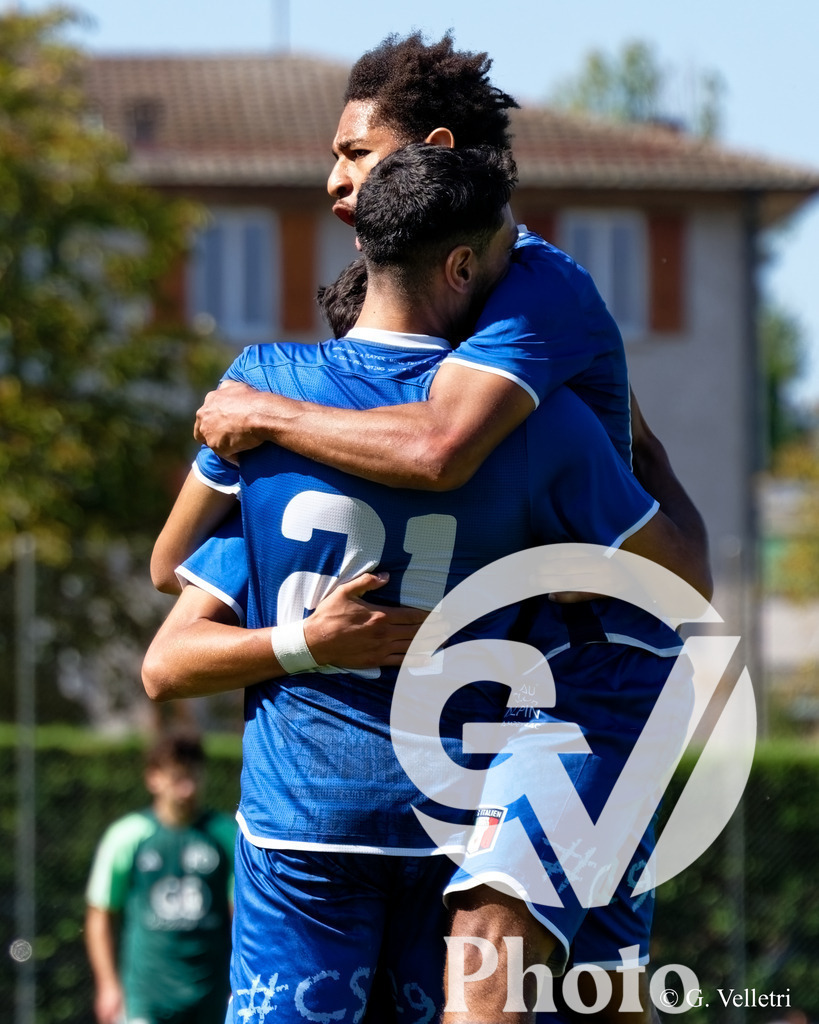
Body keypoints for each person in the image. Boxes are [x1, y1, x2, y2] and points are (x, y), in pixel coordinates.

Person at [142, 142, 710, 1024]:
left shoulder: (259, 389)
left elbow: (164, 580)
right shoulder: (543, 425)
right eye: (504, 252)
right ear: (459, 265)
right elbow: (680, 575)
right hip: (451, 821)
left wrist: (299, 642)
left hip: (300, 823)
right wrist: (642, 455)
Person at [149, 31, 636, 594]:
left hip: (584, 656)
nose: (335, 180)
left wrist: (266, 416)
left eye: (357, 153)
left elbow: (438, 451)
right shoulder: (478, 290)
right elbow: (169, 577)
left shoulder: (540, 288)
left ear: (435, 151)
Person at [84, 731, 236, 1024]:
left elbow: (241, 914)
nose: (188, 789)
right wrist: (107, 985)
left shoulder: (225, 835)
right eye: (178, 778)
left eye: (194, 777)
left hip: (211, 993)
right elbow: (100, 915)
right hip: (146, 996)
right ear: (153, 778)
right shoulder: (127, 837)